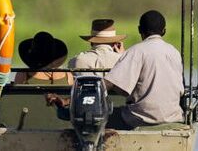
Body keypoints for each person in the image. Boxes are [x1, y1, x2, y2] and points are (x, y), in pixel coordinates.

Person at [47, 10, 183, 130]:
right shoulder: (174, 53)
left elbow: (107, 85)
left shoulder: (136, 52)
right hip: (173, 117)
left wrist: (67, 100)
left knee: (94, 117)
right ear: (164, 31)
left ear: (140, 29)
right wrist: (123, 56)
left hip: (140, 119)